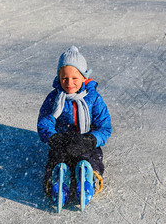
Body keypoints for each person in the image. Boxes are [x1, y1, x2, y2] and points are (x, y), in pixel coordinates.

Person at [37, 46, 112, 198]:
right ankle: (56, 180)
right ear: (58, 77)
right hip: (62, 139)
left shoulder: (93, 98)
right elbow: (44, 122)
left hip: (86, 139)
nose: (69, 83)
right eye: (64, 78)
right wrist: (53, 137)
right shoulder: (54, 98)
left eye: (74, 78)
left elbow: (104, 127)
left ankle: (89, 178)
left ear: (84, 77)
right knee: (56, 156)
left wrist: (91, 139)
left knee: (92, 157)